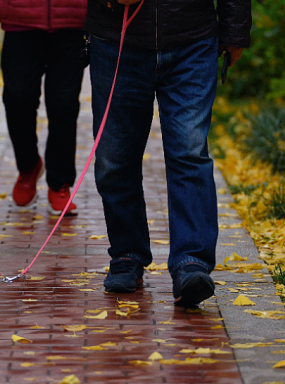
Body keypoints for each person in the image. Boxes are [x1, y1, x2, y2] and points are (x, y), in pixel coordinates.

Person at [85, 0, 251, 306]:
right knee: (113, 157)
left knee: (189, 152)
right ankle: (126, 254)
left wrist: (235, 31)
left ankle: (192, 262)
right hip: (116, 39)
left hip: (193, 39)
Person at [0, 0, 87, 216]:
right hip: (19, 21)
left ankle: (60, 183)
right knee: (18, 99)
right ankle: (28, 166)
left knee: (64, 104)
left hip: (72, 22)